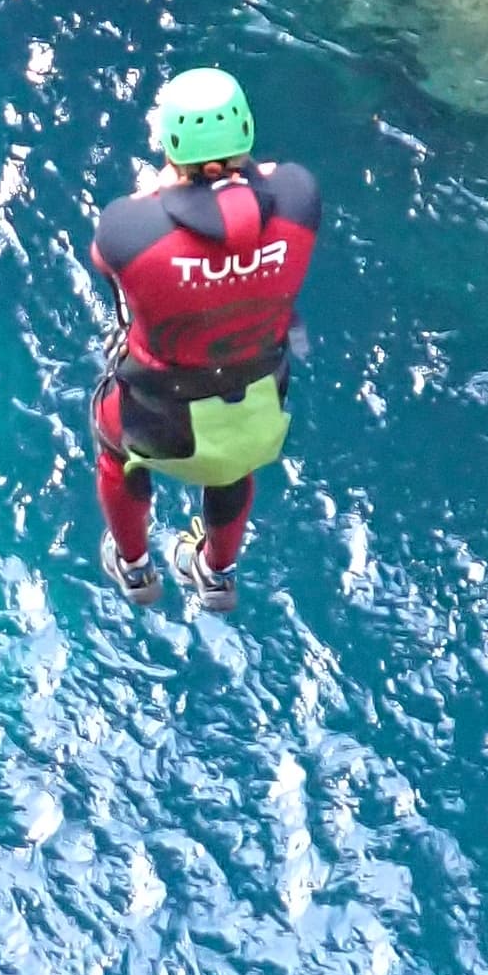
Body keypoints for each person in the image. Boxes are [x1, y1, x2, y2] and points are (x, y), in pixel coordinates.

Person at [90, 66, 320, 608]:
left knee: (112, 448)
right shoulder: (300, 198)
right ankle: (215, 575)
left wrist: (162, 194)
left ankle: (134, 568)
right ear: (246, 131)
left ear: (169, 145)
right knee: (231, 468)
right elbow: (268, 181)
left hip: (157, 422)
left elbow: (106, 262)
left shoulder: (129, 229)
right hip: (254, 406)